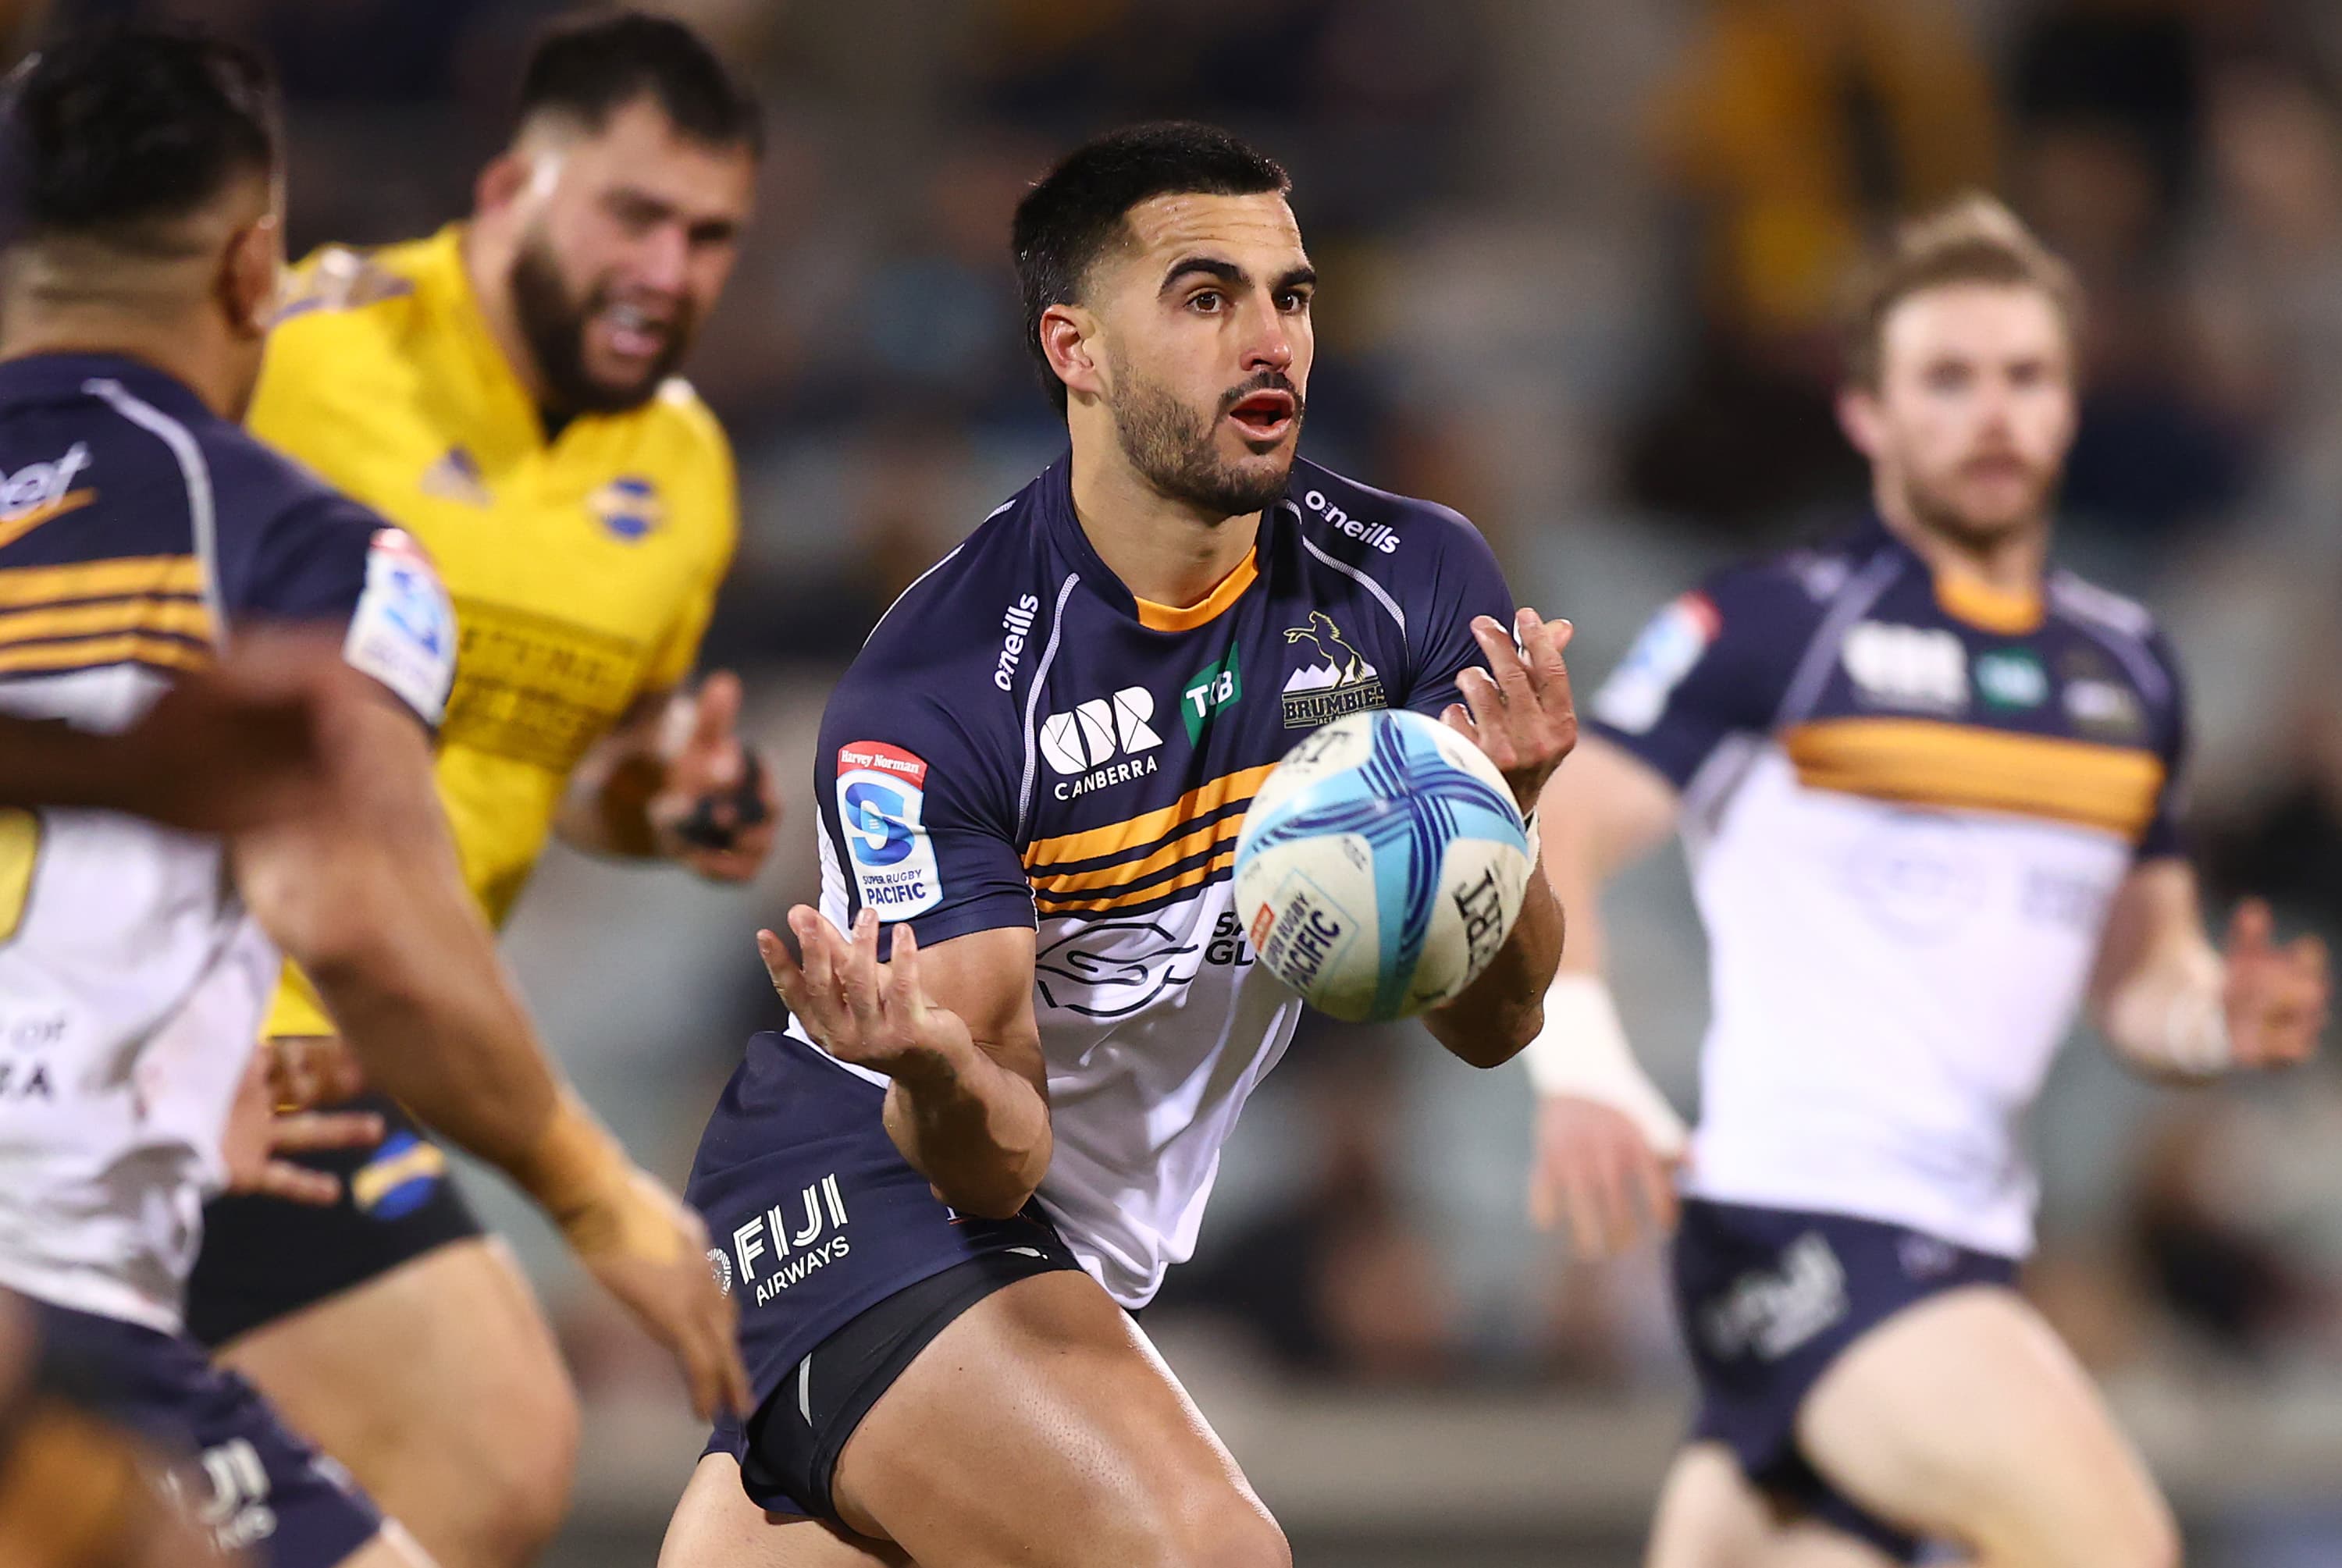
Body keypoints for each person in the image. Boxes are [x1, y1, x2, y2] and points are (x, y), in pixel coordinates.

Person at [659, 120, 1577, 1568]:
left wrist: (1497, 830)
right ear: (1074, 348)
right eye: (1207, 298)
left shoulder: (1411, 582)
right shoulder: (945, 688)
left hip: (1070, 1248)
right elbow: (992, 1158)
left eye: (1293, 295)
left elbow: (1496, 1022)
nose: (1269, 338)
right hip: (875, 1188)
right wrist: (933, 1063)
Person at [0, 24, 746, 1566]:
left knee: (482, 1444)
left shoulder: (687, 474)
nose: (669, 267)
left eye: (710, 234)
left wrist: (650, 797)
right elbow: (354, 895)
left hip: (190, 1086)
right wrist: (599, 1196)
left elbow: (582, 767)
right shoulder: (303, 494)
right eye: (632, 214)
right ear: (250, 270)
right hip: (161, 1111)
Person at [1520, 194, 2330, 1568]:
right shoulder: (1774, 621)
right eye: (1947, 379)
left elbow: (2144, 980)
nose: (1993, 412)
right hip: (1811, 1226)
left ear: (2070, 404)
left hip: (1965, 1242)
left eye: (2025, 375)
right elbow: (1559, 828)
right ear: (1869, 414)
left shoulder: (2127, 672)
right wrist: (1584, 1066)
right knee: (2112, 1545)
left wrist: (2214, 1020)